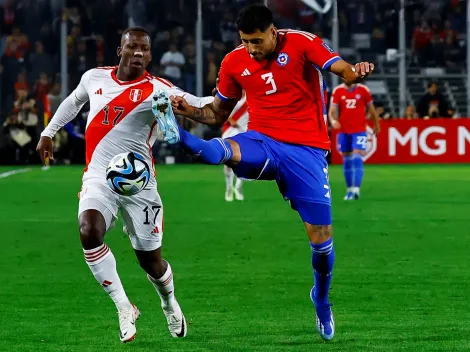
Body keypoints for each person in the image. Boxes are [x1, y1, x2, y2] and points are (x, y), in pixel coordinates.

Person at [152, 4, 374, 341]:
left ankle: (322, 299)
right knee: (224, 149)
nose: (252, 49)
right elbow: (217, 113)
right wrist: (189, 112)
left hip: (307, 151)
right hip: (262, 141)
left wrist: (355, 72)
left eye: (257, 41)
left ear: (273, 32)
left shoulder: (302, 42)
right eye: (246, 42)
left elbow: (342, 69)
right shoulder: (233, 61)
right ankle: (176, 135)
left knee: (321, 240)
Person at [36, 26, 212, 343]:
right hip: (99, 176)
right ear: (120, 50)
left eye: (145, 49)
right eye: (133, 48)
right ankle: (123, 306)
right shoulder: (94, 78)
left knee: (152, 262)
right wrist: (48, 132)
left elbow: (201, 103)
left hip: (140, 185)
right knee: (88, 231)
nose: (139, 54)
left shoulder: (159, 89)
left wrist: (237, 96)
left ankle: (169, 303)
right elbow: (73, 102)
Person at [329, 82, 380, 200]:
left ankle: (356, 189)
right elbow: (332, 110)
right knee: (347, 161)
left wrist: (376, 124)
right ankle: (349, 190)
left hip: (359, 130)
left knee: (357, 158)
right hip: (344, 131)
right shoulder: (338, 90)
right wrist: (333, 120)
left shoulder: (363, 90)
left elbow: (371, 109)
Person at [221, 93, 249, 201]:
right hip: (229, 130)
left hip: (244, 130)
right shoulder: (230, 95)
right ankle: (228, 187)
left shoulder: (250, 95)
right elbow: (221, 110)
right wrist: (229, 119)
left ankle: (238, 186)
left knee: (243, 160)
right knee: (228, 160)